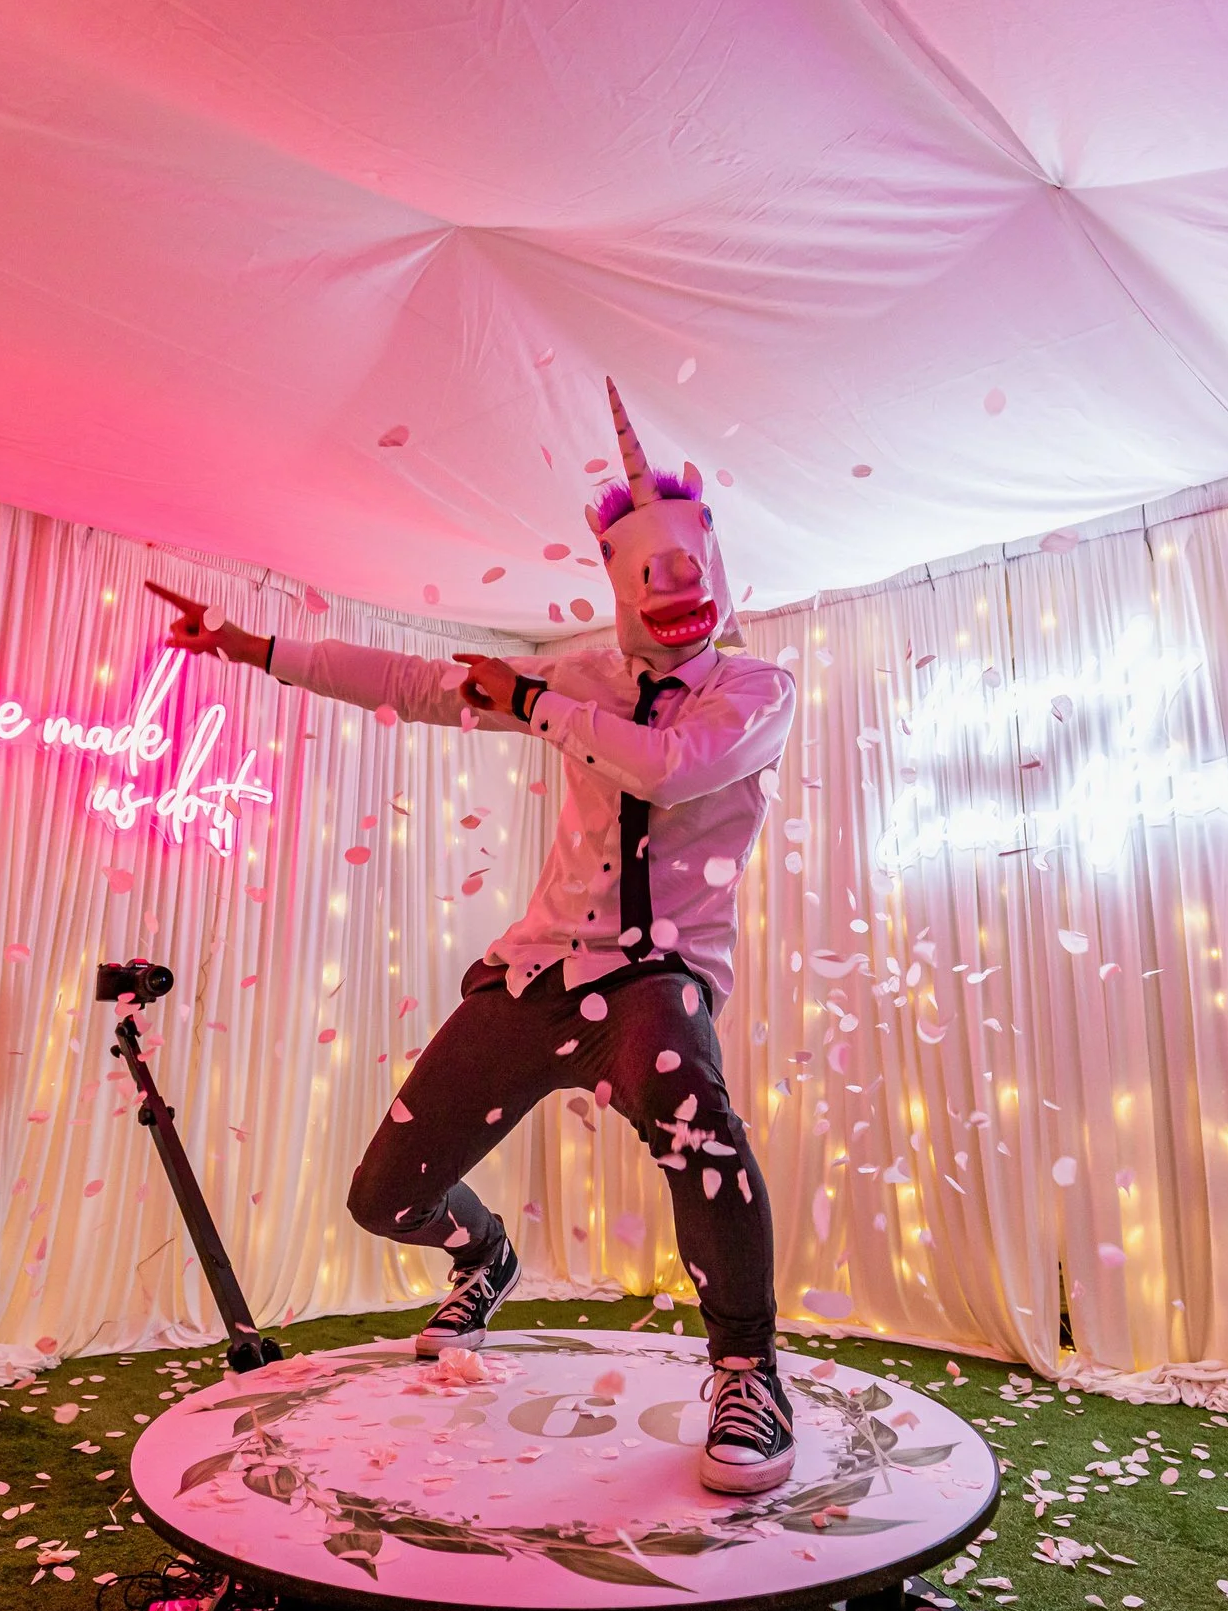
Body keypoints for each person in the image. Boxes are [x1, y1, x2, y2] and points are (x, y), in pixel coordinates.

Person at [148, 380, 798, 1494]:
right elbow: (412, 682)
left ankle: (746, 1366)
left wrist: (538, 704)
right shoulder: (588, 674)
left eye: (687, 568)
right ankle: (483, 1253)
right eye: (649, 574)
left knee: (690, 1102)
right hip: (540, 971)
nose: (673, 591)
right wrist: (254, 647)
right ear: (618, 584)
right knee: (382, 1194)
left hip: (654, 976)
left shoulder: (755, 689)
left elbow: (668, 766)